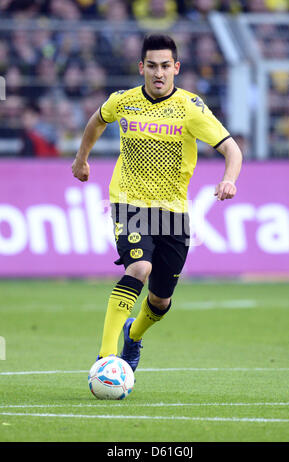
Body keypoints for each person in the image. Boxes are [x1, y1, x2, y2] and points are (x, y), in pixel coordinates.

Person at [72, 34, 243, 372]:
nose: (159, 73)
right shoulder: (123, 101)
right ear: (141, 68)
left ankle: (133, 335)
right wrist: (81, 159)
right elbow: (97, 120)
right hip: (129, 202)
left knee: (160, 300)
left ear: (176, 68)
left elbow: (231, 149)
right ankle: (106, 358)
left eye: (165, 66)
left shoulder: (191, 108)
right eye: (152, 66)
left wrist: (229, 179)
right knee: (139, 268)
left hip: (173, 213)